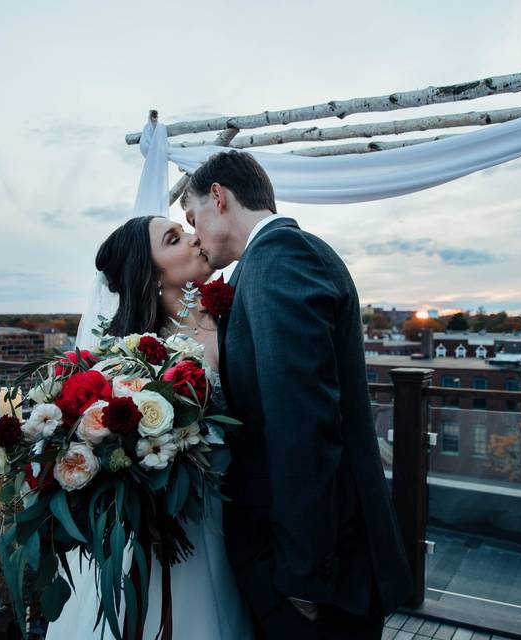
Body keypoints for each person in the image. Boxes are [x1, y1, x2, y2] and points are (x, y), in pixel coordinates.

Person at [182, 150, 414, 639]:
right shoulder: (266, 264)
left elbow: (303, 422)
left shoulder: (282, 258)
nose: (194, 235)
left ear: (219, 197)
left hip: (316, 575)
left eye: (192, 216)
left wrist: (303, 576)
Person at [45, 215, 253, 640]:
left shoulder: (235, 313)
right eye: (174, 239)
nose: (196, 239)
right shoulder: (132, 356)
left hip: (237, 511)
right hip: (173, 521)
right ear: (151, 274)